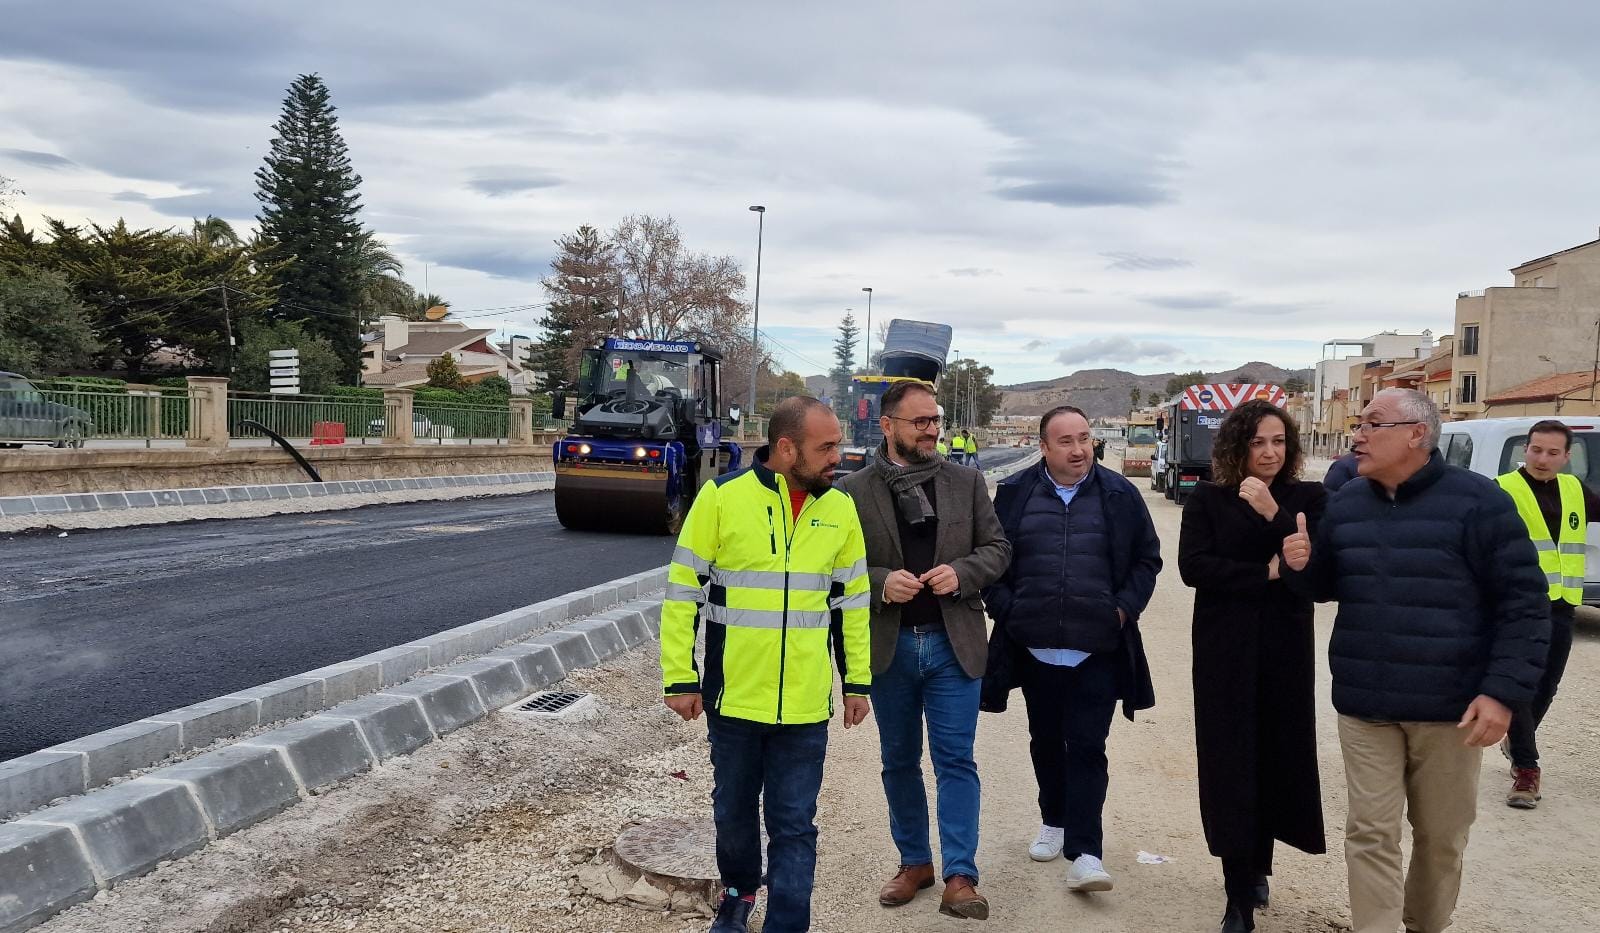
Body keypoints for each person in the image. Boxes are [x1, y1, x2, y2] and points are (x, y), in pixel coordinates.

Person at [1281, 388, 1549, 933]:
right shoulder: (1347, 502)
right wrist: (1299, 565)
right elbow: (1325, 585)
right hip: (1366, 702)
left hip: (1450, 709)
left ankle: (1425, 924)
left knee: (1441, 837)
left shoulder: (1481, 503)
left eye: (1371, 424)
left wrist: (1501, 692)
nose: (1357, 435)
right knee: (1371, 831)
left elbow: (1525, 605)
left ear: (1417, 433)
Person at [660, 396, 874, 933]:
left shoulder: (839, 508)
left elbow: (853, 603)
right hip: (733, 698)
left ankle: (787, 921)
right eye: (826, 447)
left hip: (804, 706)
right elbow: (683, 590)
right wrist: (680, 677)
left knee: (794, 824)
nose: (837, 457)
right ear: (786, 448)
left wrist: (857, 684)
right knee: (733, 813)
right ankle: (737, 895)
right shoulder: (722, 499)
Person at [838, 381, 1012, 920]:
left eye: (935, 420)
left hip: (951, 646)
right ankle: (914, 862)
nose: (933, 430)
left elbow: (998, 548)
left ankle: (961, 875)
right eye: (920, 422)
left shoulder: (966, 481)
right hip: (887, 649)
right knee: (898, 761)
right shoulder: (852, 491)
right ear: (888, 426)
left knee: (955, 761)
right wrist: (879, 581)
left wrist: (961, 572)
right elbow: (830, 569)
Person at [980, 405, 1161, 895]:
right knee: (1044, 740)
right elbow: (991, 560)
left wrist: (1122, 610)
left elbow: (1148, 558)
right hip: (1034, 650)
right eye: (1066, 441)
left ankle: (1086, 852)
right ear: (1044, 447)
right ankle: (1053, 820)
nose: (1079, 449)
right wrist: (1008, 611)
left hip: (1095, 650)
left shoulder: (1120, 494)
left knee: (1086, 747)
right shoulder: (1015, 493)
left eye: (1085, 438)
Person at [1178, 400, 1327, 933]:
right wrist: (1263, 573)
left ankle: (1261, 864)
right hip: (1224, 652)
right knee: (1230, 762)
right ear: (1237, 446)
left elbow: (1313, 564)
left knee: (1276, 757)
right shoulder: (1209, 499)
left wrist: (1272, 513)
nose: (1269, 452)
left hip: (1285, 652)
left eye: (1279, 442)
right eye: (1258, 442)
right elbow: (1193, 567)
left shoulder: (1307, 498)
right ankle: (1237, 891)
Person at [1495, 419, 1599, 810]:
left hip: (1562, 605)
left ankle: (1516, 740)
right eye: (1536, 450)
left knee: (1547, 686)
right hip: (1515, 605)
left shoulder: (1575, 489)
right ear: (1526, 449)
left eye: (1553, 452)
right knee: (1521, 686)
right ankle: (1527, 769)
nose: (1542, 458)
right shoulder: (1502, 490)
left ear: (1567, 456)